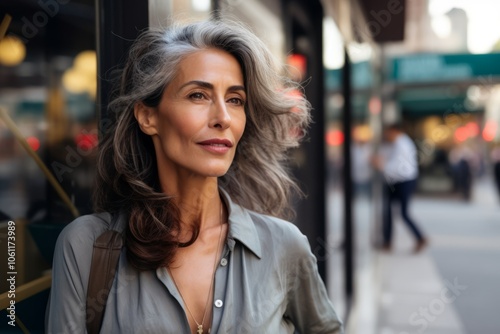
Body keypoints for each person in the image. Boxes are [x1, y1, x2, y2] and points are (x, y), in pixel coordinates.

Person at [45, 19, 343, 333]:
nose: (223, 118)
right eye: (198, 96)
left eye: (235, 100)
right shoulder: (86, 246)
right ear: (148, 117)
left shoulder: (283, 245)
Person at [373, 124, 427, 253]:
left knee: (403, 213)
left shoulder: (402, 144)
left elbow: (397, 167)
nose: (387, 135)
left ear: (394, 131)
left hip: (403, 181)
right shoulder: (396, 143)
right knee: (389, 212)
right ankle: (388, 242)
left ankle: (420, 238)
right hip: (396, 181)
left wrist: (381, 166)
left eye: (388, 133)